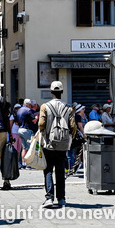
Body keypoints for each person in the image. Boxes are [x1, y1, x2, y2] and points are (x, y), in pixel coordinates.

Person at [38, 81, 75, 209]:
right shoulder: (68, 108)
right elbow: (73, 127)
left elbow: (41, 124)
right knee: (60, 171)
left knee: (48, 170)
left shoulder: (45, 106)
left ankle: (49, 198)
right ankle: (61, 198)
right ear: (62, 92)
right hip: (63, 145)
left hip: (49, 143)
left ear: (51, 92)